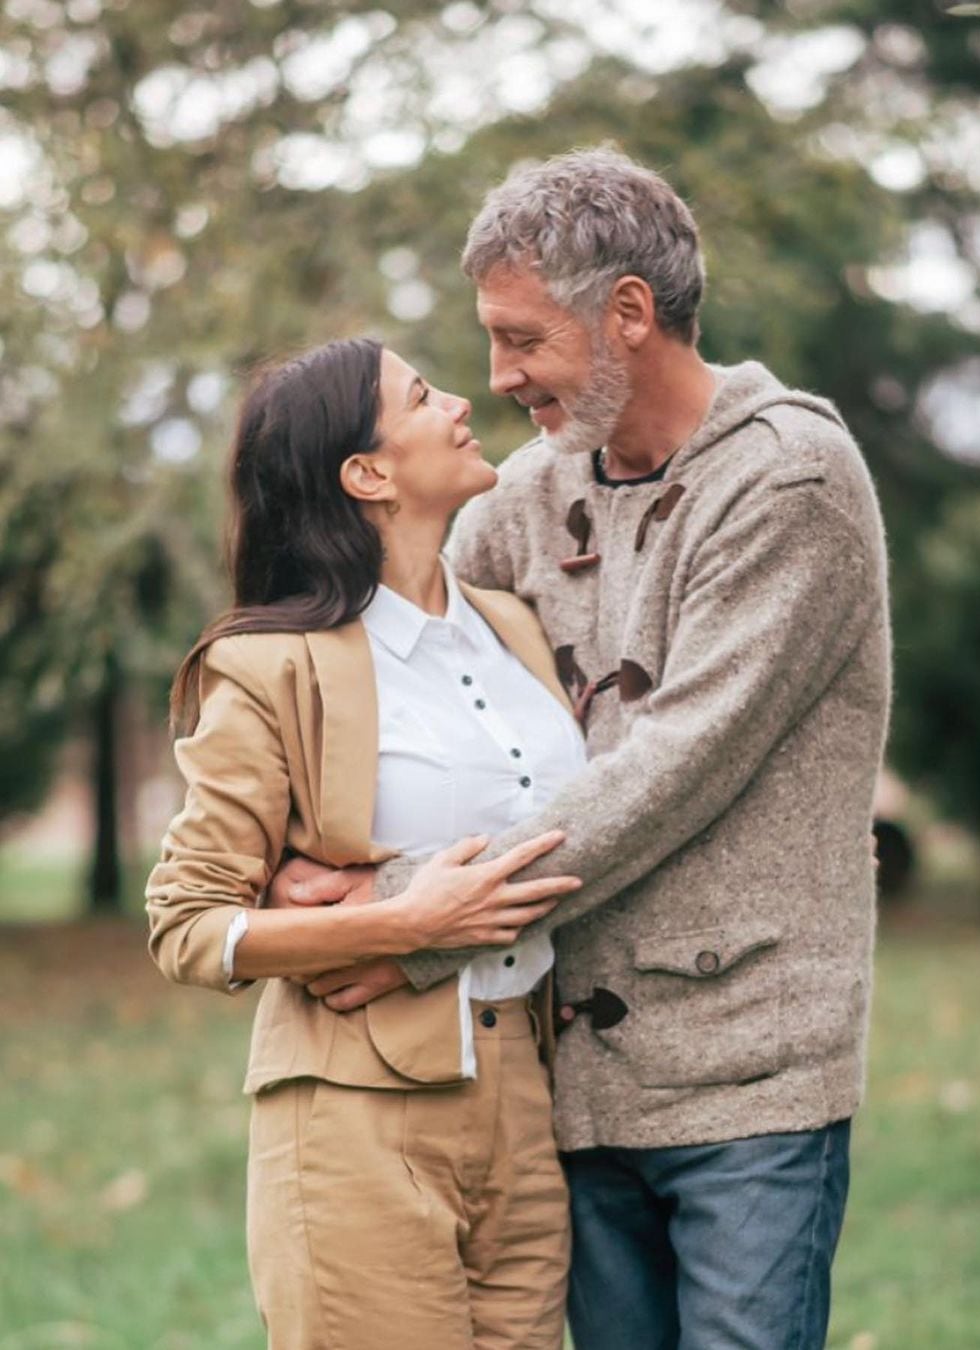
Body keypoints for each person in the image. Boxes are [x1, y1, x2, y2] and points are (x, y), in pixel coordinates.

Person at [274, 147, 892, 1350]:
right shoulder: (527, 496)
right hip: (568, 1088)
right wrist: (283, 847)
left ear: (628, 314)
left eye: (522, 340)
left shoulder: (791, 483)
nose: (498, 377)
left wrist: (409, 912)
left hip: (749, 1083)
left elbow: (675, 769)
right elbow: (400, 660)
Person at [145, 336, 590, 1350]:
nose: (462, 400)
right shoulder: (269, 666)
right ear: (368, 474)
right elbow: (186, 925)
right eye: (425, 394)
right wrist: (406, 922)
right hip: (351, 1115)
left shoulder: (515, 626)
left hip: (527, 1099)